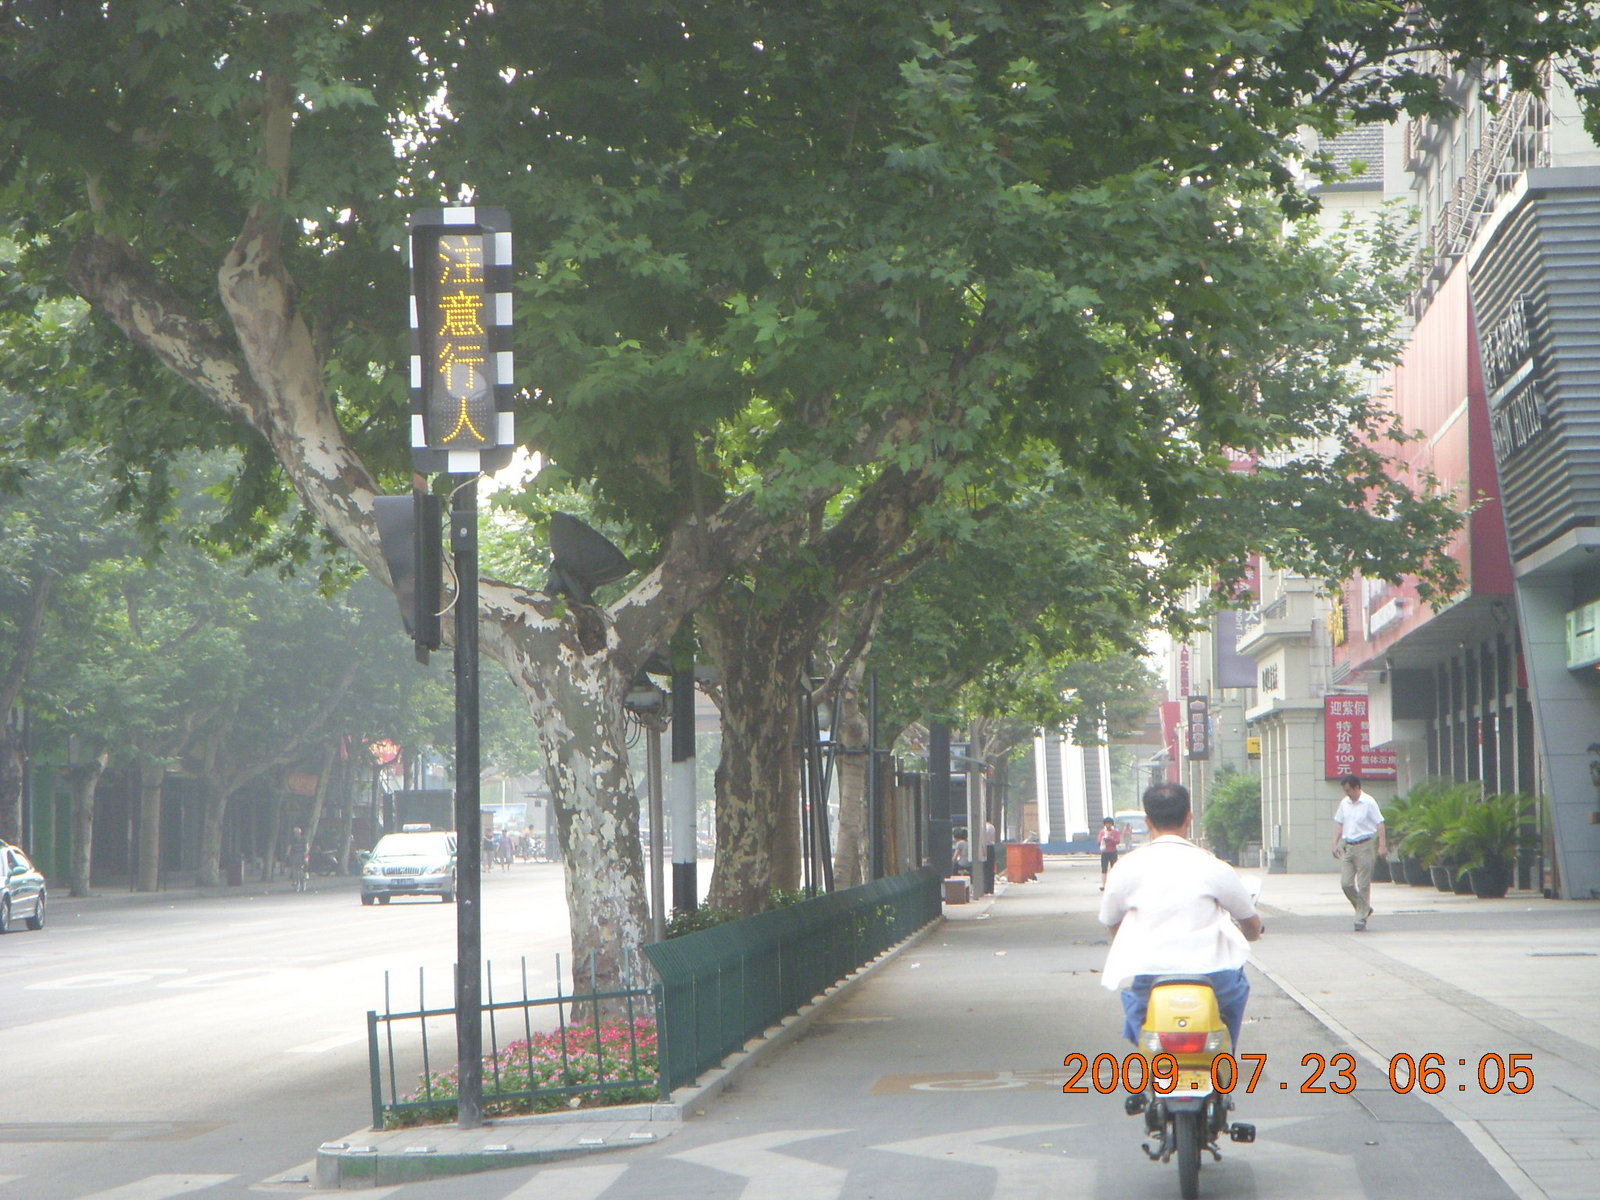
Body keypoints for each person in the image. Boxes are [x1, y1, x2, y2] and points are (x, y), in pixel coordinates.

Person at [1099, 782, 1263, 1049]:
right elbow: (1250, 921)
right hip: (1213, 975)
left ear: (1148, 821)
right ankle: (1224, 1056)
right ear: (1189, 818)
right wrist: (1252, 933)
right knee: (1235, 993)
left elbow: (1111, 921)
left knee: (1137, 1011)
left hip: (1150, 975)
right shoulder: (1214, 866)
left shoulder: (1125, 868)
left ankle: (1148, 1061)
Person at [1331, 774, 1387, 931]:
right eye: (1345, 790)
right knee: (1346, 884)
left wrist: (1382, 845)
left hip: (1364, 846)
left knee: (1363, 884)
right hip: (1348, 847)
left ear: (1357, 788)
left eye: (1349, 790)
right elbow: (1339, 823)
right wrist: (1334, 843)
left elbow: (1380, 824)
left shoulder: (1369, 802)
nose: (1347, 793)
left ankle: (1360, 918)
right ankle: (1364, 908)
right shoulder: (1345, 803)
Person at [1097, 816, 1122, 890]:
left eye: (1109, 823)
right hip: (1104, 852)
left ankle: (1114, 884)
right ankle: (1104, 885)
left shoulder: (1116, 832)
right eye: (1106, 823)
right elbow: (1098, 842)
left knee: (1114, 868)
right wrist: (1103, 839)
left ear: (1112, 824)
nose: (1108, 825)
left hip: (1113, 852)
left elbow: (1118, 841)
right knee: (1104, 869)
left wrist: (1111, 839)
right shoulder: (1102, 832)